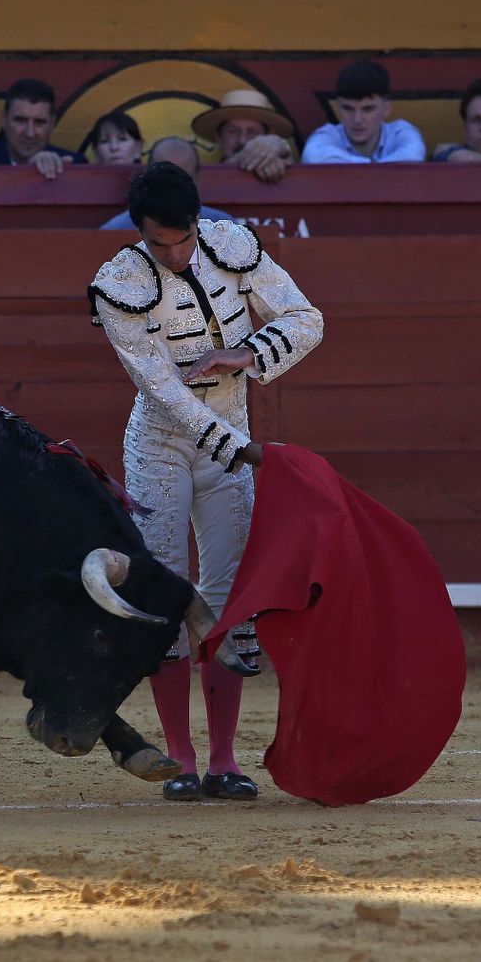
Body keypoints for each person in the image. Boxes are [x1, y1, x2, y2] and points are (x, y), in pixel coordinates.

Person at [88, 162, 324, 801]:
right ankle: (181, 759)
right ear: (140, 233)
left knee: (227, 596)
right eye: (160, 244)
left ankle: (224, 758)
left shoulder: (233, 247)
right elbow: (161, 391)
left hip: (231, 436)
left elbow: (307, 320)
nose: (176, 254)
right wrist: (235, 448)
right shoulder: (120, 283)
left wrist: (244, 355)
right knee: (166, 589)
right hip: (162, 444)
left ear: (199, 221)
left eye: (184, 239)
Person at [302, 59, 426, 164]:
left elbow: (414, 155)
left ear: (386, 109)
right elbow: (312, 155)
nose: (357, 119)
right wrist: (371, 166)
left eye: (368, 109)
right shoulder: (328, 135)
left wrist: (366, 168)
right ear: (338, 107)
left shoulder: (399, 131)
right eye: (348, 108)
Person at [0, 78, 87, 179]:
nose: (30, 133)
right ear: (4, 119)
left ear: (52, 124)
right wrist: (29, 170)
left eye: (39, 122)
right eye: (20, 121)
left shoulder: (73, 165)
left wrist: (62, 175)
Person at [100, 136, 234, 229]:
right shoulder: (116, 230)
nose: (172, 193)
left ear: (197, 178)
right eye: (165, 182)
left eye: (181, 183)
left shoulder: (225, 228)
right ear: (147, 176)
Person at [190, 89, 296, 183]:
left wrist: (281, 146)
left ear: (267, 137)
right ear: (219, 137)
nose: (243, 140)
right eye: (233, 131)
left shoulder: (280, 161)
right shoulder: (199, 181)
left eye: (252, 132)